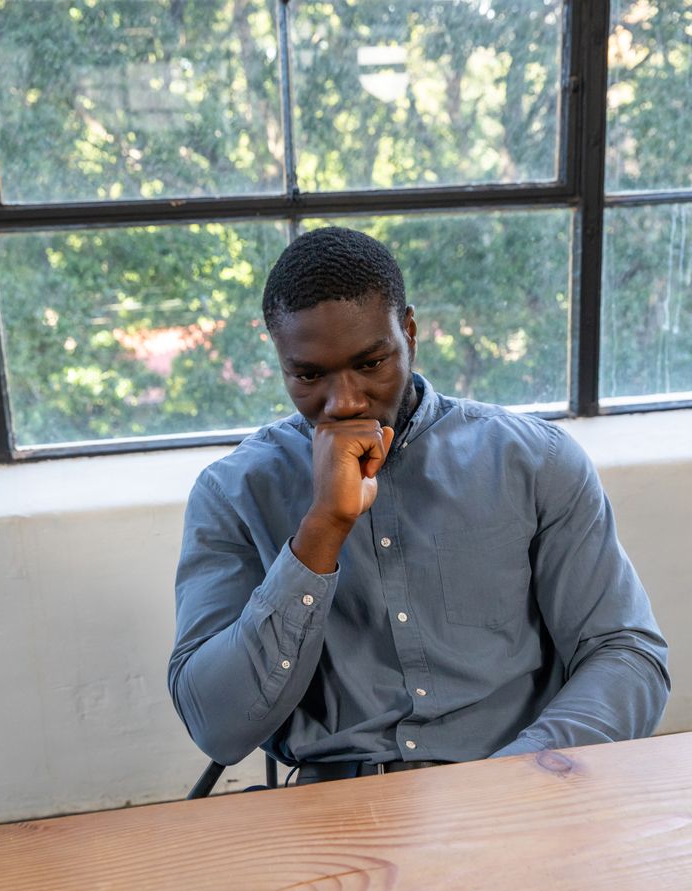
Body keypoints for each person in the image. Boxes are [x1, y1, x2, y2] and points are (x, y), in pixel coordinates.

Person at [168, 226, 670, 785]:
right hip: (331, 812)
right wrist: (320, 534)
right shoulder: (233, 493)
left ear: (408, 332)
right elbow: (216, 728)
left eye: (371, 363)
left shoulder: (535, 462)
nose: (345, 401)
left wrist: (518, 779)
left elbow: (626, 654)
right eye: (308, 375)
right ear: (281, 360)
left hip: (519, 791)